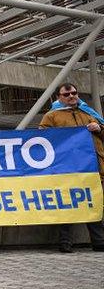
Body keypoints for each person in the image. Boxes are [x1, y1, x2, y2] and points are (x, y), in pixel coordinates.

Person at [38, 83, 104, 253]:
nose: (71, 96)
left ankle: (98, 241)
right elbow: (42, 139)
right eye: (66, 94)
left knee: (93, 202)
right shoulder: (51, 117)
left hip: (92, 166)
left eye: (74, 93)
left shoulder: (88, 113)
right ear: (59, 97)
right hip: (67, 167)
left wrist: (99, 128)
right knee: (67, 202)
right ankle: (65, 242)